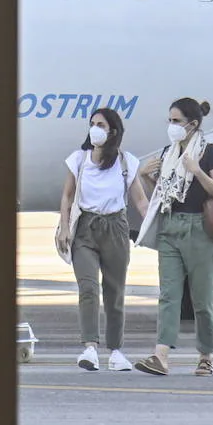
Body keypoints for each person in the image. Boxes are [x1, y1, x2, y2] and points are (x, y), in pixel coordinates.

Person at [133, 98, 213, 377]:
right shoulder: (168, 153)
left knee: (202, 297)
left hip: (199, 228)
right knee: (169, 295)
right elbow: (164, 194)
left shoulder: (208, 152)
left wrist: (196, 170)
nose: (171, 126)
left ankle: (206, 355)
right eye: (170, 121)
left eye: (176, 121)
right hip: (170, 226)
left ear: (192, 124)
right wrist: (149, 178)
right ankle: (160, 355)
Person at [57, 108, 147, 372]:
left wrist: (154, 224)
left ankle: (116, 350)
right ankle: (89, 347)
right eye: (92, 124)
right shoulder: (79, 159)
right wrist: (64, 227)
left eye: (101, 125)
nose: (95, 129)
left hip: (115, 227)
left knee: (114, 291)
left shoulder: (126, 162)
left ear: (113, 132)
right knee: (88, 288)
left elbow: (140, 201)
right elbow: (67, 196)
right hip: (85, 227)